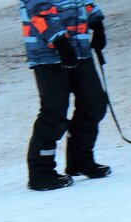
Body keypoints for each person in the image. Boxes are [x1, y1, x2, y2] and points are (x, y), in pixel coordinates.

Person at [19, 1, 111, 191]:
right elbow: (38, 10)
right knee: (54, 112)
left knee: (94, 103)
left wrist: (96, 22)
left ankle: (80, 160)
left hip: (79, 48)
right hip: (48, 53)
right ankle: (41, 173)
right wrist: (60, 41)